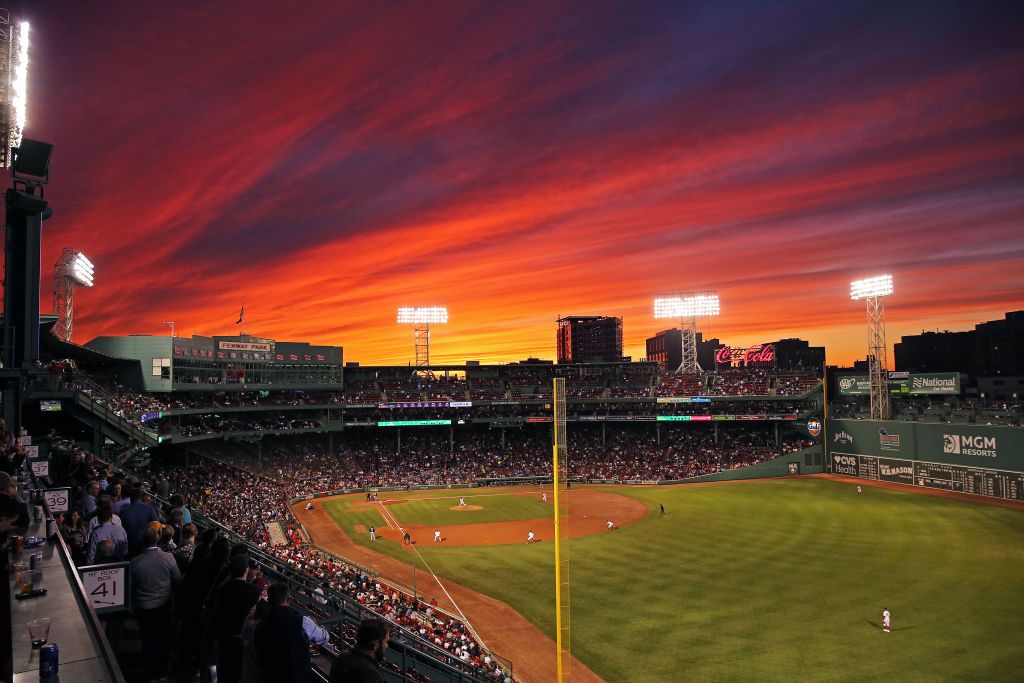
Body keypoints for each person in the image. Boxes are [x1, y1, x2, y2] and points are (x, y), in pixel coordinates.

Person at [130, 528, 181, 681]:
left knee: (147, 641)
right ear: (157, 539)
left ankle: (149, 674)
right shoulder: (168, 558)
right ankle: (162, 672)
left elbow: (130, 587)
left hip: (143, 608)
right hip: (163, 606)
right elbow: (177, 579)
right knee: (162, 639)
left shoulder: (135, 562)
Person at [255, 582, 330, 683]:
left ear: (269, 600)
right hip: (298, 677)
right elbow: (324, 637)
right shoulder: (303, 621)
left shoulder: (259, 625)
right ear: (288, 599)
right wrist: (316, 626)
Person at [210, 554, 263, 683]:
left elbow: (216, 615)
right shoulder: (254, 591)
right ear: (246, 570)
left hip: (223, 637)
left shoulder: (222, 587)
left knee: (223, 672)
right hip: (243, 640)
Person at [330, 618, 390, 683]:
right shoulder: (373, 675)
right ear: (375, 644)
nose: (387, 646)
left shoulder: (341, 658)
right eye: (386, 642)